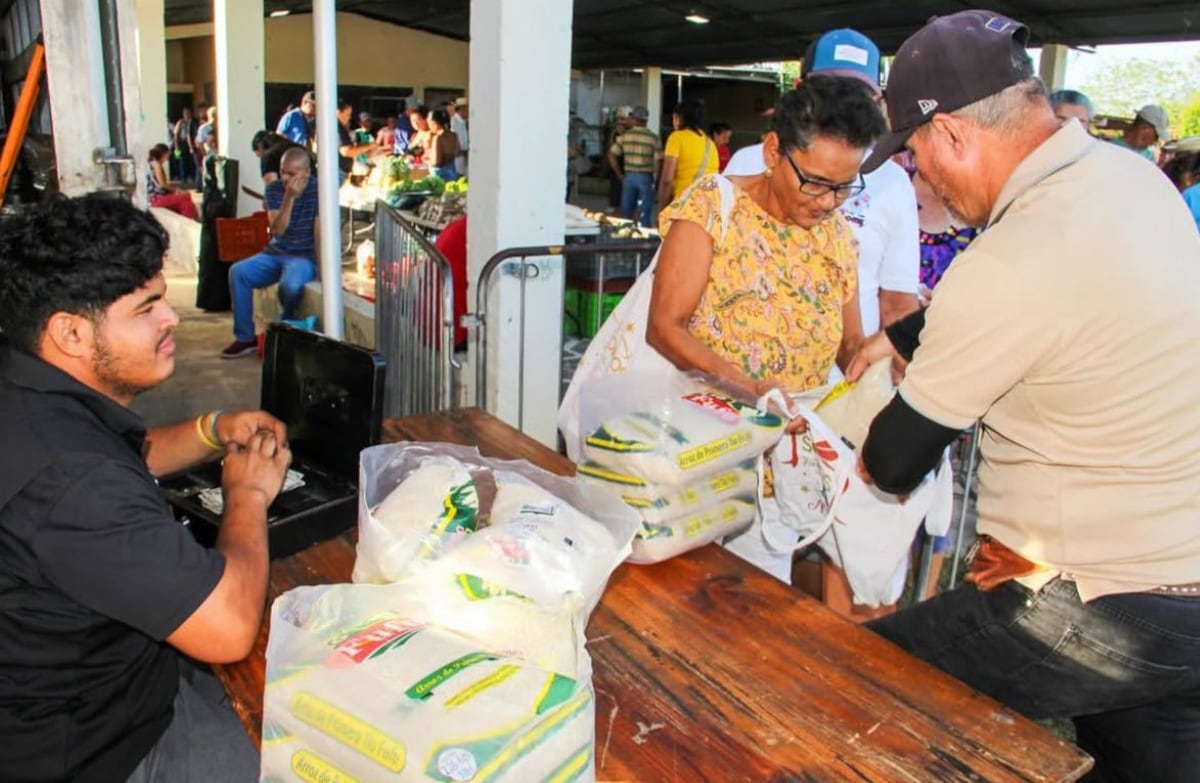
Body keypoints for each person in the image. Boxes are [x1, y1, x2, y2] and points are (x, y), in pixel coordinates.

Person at [845, 12, 1200, 782]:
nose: (921, 179)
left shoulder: (1009, 260)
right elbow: (1064, 302)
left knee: (853, 685)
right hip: (1187, 581)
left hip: (1101, 598)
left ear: (949, 138)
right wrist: (896, 340)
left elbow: (893, 460)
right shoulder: (1135, 179)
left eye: (913, 155)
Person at [0, 194, 291, 781]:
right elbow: (229, 627)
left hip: (109, 679)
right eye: (147, 307)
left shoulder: (29, 391)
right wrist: (248, 495)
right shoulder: (74, 483)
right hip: (102, 747)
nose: (173, 319)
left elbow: (119, 457)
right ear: (72, 333)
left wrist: (212, 430)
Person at [647, 76, 884, 581]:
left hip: (789, 462)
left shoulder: (839, 236)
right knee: (687, 589)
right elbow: (665, 327)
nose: (828, 202)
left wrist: (888, 374)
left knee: (758, 598)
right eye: (816, 181)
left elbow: (849, 346)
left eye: (845, 186)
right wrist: (750, 389)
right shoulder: (715, 205)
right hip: (706, 450)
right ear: (774, 151)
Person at [223, 147, 319, 358]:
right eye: (282, 171)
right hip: (276, 252)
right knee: (238, 272)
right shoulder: (275, 189)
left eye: (291, 174)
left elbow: (320, 231)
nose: (285, 178)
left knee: (290, 286)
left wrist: (324, 270)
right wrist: (289, 198)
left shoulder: (319, 190)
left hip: (304, 256)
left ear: (306, 172)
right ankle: (244, 338)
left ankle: (285, 329)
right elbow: (277, 229)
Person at [607, 105, 662, 228]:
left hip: (629, 177)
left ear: (634, 119)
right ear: (646, 120)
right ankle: (644, 239)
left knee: (626, 212)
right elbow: (658, 161)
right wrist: (656, 180)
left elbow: (612, 154)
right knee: (644, 213)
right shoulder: (653, 137)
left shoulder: (625, 136)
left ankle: (626, 239)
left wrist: (619, 174)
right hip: (646, 177)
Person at [658, 99, 719, 207]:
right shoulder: (710, 143)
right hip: (707, 206)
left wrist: (662, 209)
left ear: (678, 118)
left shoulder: (676, 137)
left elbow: (667, 180)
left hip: (684, 205)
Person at [146, 144, 200, 220]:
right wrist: (176, 190)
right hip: (157, 199)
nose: (169, 156)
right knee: (184, 198)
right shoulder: (157, 165)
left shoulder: (154, 164)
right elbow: (162, 184)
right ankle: (190, 220)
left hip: (157, 197)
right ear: (164, 153)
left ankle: (188, 218)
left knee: (185, 196)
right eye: (168, 153)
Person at [336, 101, 376, 184]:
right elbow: (346, 151)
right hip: (337, 172)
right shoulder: (337, 127)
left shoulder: (328, 125)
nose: (349, 117)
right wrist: (369, 146)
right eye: (347, 114)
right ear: (338, 112)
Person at [426, 107, 460, 182]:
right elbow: (457, 153)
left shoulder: (438, 138)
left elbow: (436, 162)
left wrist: (426, 160)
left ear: (435, 123)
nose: (428, 125)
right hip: (452, 174)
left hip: (439, 177)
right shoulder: (454, 135)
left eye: (429, 122)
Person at [172, 107, 197, 188]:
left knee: (191, 161)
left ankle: (192, 177)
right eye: (185, 113)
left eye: (188, 113)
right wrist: (176, 146)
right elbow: (176, 135)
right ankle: (183, 178)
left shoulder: (192, 122)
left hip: (189, 144)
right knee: (182, 162)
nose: (187, 115)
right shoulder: (180, 122)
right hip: (182, 144)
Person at [448, 96, 470, 177]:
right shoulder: (454, 121)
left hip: (467, 155)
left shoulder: (466, 121)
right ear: (462, 109)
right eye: (467, 109)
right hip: (458, 156)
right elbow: (456, 140)